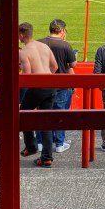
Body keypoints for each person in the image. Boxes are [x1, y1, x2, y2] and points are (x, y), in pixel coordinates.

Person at [19, 22, 58, 168]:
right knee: (45, 121)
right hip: (50, 85)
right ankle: (46, 157)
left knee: (23, 114)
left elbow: (27, 75)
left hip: (37, 87)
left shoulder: (24, 51)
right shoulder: (44, 46)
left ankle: (31, 146)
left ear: (22, 35)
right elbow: (55, 67)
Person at [38, 19, 76, 153]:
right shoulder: (65, 45)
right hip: (61, 84)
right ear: (62, 31)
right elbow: (73, 65)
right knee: (59, 113)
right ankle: (59, 143)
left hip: (42, 83)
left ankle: (40, 142)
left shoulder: (39, 42)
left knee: (42, 113)